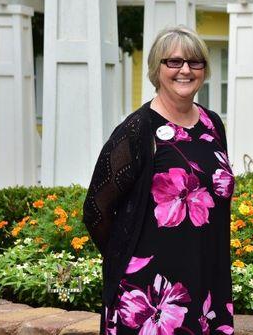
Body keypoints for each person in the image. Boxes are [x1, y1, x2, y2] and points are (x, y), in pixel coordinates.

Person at [83, 26, 235, 335]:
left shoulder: (212, 123)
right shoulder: (138, 129)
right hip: (151, 296)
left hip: (206, 285)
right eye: (174, 62)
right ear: (157, 68)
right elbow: (96, 210)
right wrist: (130, 261)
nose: (185, 70)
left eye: (195, 62)